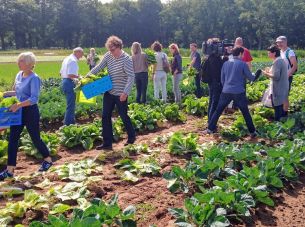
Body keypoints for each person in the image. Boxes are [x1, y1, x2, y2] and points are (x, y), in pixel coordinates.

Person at [0, 52, 53, 181]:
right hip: (18, 113)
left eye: (21, 61)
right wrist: (7, 93)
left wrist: (18, 105)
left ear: (29, 63)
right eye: (18, 61)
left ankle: (48, 160)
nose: (18, 63)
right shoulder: (19, 75)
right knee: (13, 139)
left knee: (35, 138)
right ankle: (10, 170)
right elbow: (18, 92)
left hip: (30, 112)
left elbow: (33, 98)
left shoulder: (34, 78)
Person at [87, 36, 136, 150]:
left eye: (113, 49)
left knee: (123, 116)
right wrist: (86, 77)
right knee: (105, 116)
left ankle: (131, 137)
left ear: (119, 47)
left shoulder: (126, 59)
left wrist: (125, 92)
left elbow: (131, 76)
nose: (111, 52)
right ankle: (107, 143)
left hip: (121, 93)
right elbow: (98, 67)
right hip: (109, 91)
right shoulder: (108, 56)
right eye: (109, 50)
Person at [206, 47, 257, 137]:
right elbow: (251, 78)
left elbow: (222, 79)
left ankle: (210, 129)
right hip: (238, 92)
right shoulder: (242, 64)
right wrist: (256, 74)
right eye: (243, 54)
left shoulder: (226, 63)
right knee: (245, 112)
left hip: (226, 91)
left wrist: (226, 86)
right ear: (240, 53)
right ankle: (252, 132)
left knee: (218, 110)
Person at [262, 45, 288, 121]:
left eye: (269, 53)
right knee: (279, 106)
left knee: (277, 107)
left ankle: (278, 124)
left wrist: (266, 74)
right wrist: (269, 71)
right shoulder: (279, 60)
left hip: (278, 88)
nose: (268, 54)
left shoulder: (278, 61)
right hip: (282, 87)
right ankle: (282, 124)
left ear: (274, 53)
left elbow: (276, 76)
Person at [60, 47, 83, 126]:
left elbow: (61, 73)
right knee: (71, 105)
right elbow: (70, 75)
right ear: (78, 52)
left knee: (70, 103)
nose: (81, 56)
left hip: (64, 81)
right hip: (69, 82)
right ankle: (68, 124)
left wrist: (77, 75)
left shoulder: (66, 59)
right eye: (81, 54)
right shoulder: (73, 61)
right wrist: (80, 78)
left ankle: (71, 121)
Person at [276, 36, 298, 116]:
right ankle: (282, 112)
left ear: (285, 42)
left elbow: (294, 66)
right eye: (277, 42)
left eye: (281, 42)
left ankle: (285, 115)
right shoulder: (281, 52)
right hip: (281, 77)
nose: (279, 44)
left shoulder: (290, 52)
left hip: (287, 78)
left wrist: (286, 76)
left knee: (284, 96)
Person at [202, 52, 224, 123]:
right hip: (216, 82)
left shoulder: (209, 57)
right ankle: (212, 122)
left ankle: (210, 119)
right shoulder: (216, 59)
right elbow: (219, 70)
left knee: (211, 101)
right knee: (215, 102)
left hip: (210, 82)